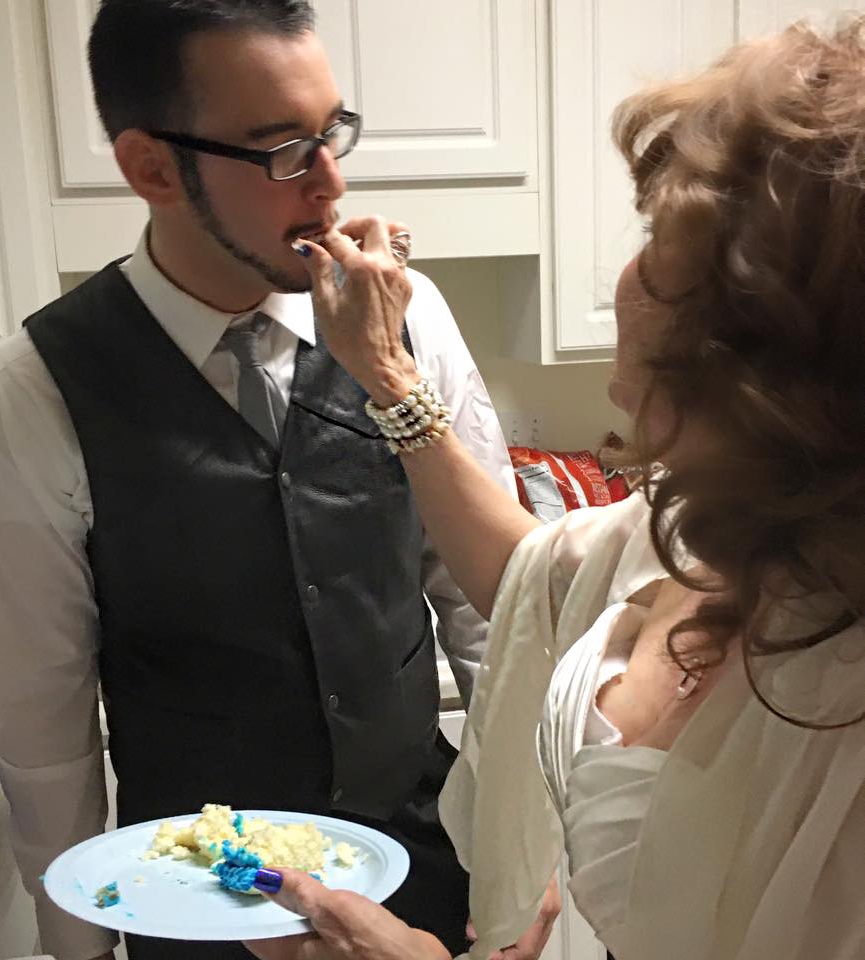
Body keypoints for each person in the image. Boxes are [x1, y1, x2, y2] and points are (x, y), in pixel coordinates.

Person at [241, 17, 865, 960]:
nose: (625, 273)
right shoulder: (691, 529)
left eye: (657, 243)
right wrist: (386, 375)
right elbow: (535, 583)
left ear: (759, 358)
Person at [0, 2, 530, 959]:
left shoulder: (407, 316)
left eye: (332, 132)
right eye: (281, 151)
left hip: (423, 877)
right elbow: (45, 730)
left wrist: (520, 865)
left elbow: (489, 616)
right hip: (188, 910)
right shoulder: (35, 390)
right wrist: (80, 952)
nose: (332, 183)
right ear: (150, 167)